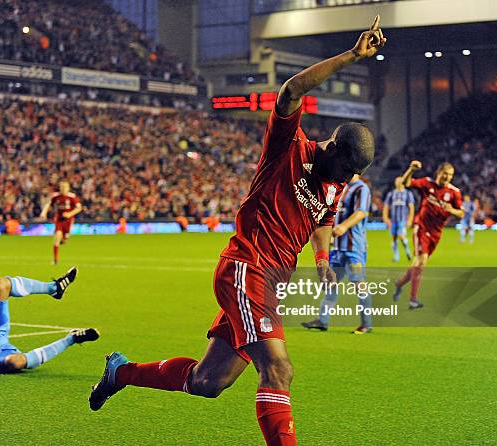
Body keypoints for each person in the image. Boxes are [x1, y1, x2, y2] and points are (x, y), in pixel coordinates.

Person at [88, 16, 385, 445]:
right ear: (331, 147)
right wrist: (352, 56)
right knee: (278, 369)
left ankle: (121, 371)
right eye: (346, 167)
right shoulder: (289, 147)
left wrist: (322, 260)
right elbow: (291, 91)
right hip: (247, 269)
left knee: (208, 381)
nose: (346, 177)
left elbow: (322, 220)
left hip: (270, 283)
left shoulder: (335, 183)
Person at [301, 174, 373, 334]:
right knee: (329, 283)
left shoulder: (362, 188)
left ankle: (366, 324)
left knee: (359, 284)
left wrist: (344, 226)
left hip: (354, 248)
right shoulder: (343, 187)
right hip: (339, 248)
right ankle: (322, 321)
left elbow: (361, 212)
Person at [394, 161, 464, 309]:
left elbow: (461, 213)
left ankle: (399, 284)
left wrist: (452, 210)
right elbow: (406, 183)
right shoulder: (427, 184)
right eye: (445, 173)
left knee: (417, 264)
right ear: (439, 172)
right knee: (421, 262)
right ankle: (413, 300)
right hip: (421, 227)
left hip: (436, 233)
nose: (447, 177)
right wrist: (411, 169)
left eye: (450, 175)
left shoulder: (454, 192)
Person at [40, 181, 83, 265]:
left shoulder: (72, 196)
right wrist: (44, 212)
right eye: (61, 187)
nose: (63, 189)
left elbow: (79, 208)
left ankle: (64, 238)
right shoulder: (56, 196)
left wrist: (70, 214)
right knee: (57, 238)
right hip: (59, 219)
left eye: (65, 187)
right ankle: (55, 260)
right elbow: (48, 204)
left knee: (65, 238)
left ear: (68, 188)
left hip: (68, 220)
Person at [383, 177, 415, 262]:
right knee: (394, 237)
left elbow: (411, 207)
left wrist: (410, 220)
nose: (398, 182)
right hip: (393, 220)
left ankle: (407, 251)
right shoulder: (391, 194)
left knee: (401, 236)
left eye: (400, 181)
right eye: (397, 181)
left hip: (402, 220)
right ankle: (396, 256)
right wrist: (385, 218)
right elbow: (386, 206)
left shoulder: (408, 193)